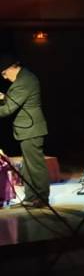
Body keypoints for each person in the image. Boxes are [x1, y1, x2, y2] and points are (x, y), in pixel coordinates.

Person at [0, 55, 50, 207]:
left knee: (35, 166)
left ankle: (42, 198)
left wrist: (4, 100)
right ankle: (31, 197)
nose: (4, 77)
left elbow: (8, 109)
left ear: (12, 68)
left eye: (4, 73)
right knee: (28, 167)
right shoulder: (25, 78)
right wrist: (4, 97)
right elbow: (15, 100)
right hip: (28, 129)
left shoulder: (24, 82)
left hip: (31, 129)